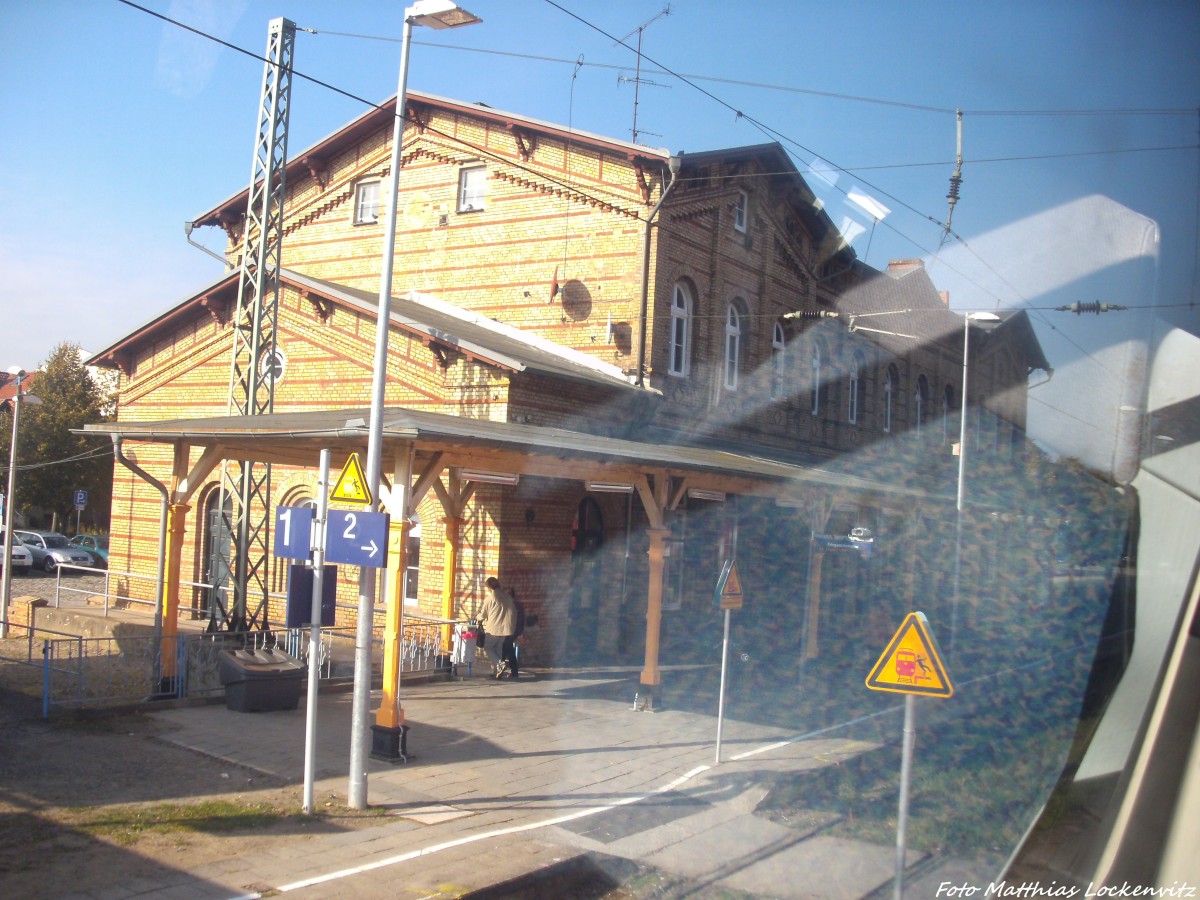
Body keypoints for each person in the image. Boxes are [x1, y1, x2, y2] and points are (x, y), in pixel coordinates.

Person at [479, 576, 519, 679]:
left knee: (488, 647)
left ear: (489, 587)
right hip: (506, 629)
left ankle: (500, 664)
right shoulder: (507, 596)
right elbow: (514, 612)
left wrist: (477, 617)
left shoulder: (490, 598)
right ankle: (497, 672)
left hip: (493, 629)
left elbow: (483, 614)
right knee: (498, 649)